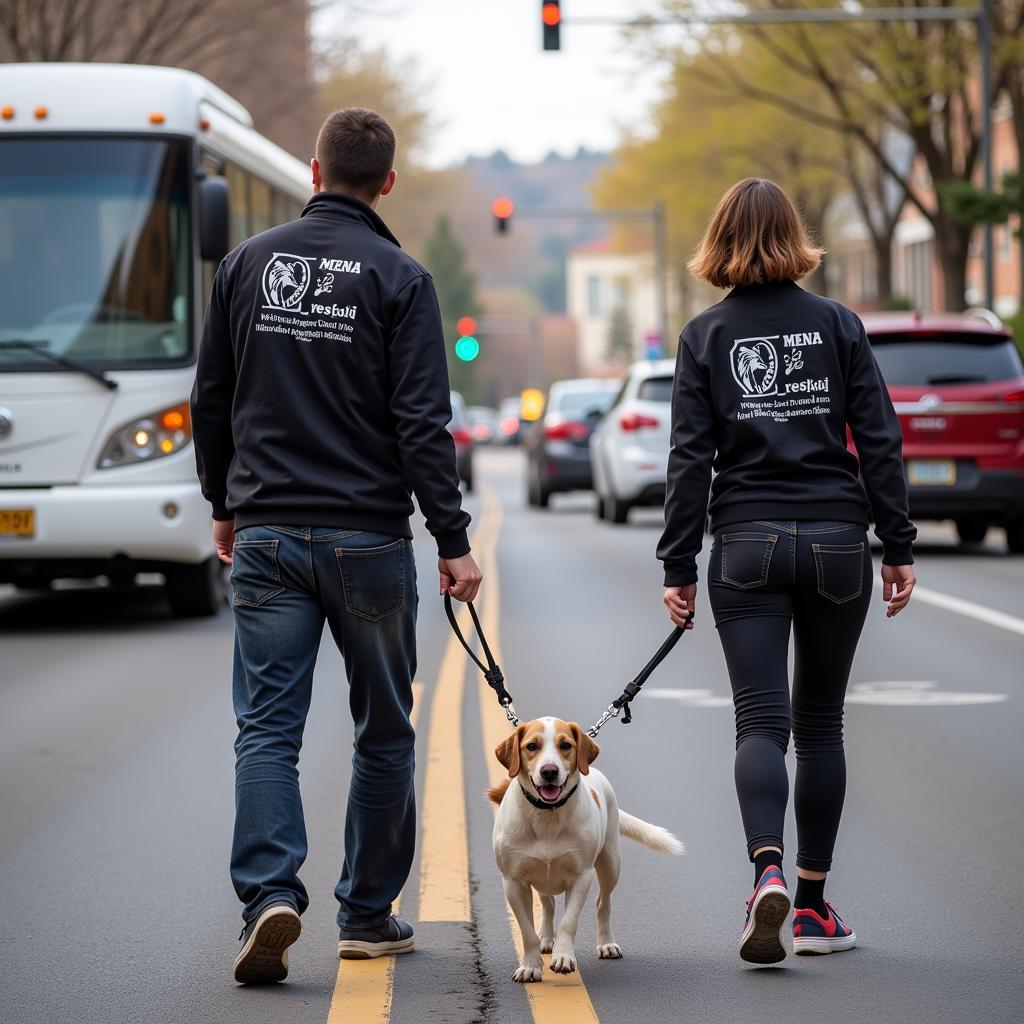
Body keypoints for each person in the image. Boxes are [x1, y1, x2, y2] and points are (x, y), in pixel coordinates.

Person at [191, 108, 482, 984]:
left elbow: (212, 397)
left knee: (267, 731)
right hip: (367, 540)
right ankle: (365, 915)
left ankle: (270, 896)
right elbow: (423, 425)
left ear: (315, 170)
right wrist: (454, 540)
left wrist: (222, 503)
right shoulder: (402, 277)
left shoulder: (247, 263)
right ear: (386, 182)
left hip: (269, 531)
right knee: (386, 731)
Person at [658, 178, 916, 965]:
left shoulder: (705, 337)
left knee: (759, 723)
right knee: (823, 725)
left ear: (720, 239)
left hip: (745, 544)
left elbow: (688, 461)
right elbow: (878, 439)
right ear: (795, 236)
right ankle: (809, 908)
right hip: (839, 541)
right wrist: (898, 545)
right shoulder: (838, 325)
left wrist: (677, 562)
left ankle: (763, 870)